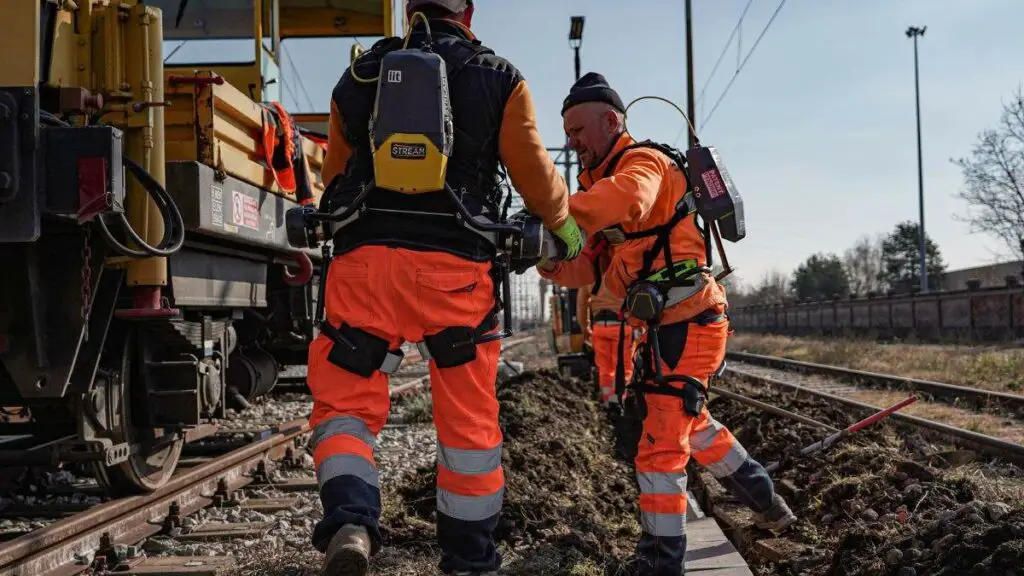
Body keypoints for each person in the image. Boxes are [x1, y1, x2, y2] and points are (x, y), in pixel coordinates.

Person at [308, 1, 583, 575]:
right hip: (456, 275)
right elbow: (536, 177)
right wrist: (567, 230)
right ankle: (469, 560)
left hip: (365, 268)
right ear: (470, 10)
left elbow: (334, 178)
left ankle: (352, 519)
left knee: (345, 407)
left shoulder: (360, 75)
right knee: (467, 424)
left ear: (409, 8)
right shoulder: (499, 76)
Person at [538, 72, 796, 576]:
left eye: (578, 129)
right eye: (566, 131)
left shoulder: (643, 164)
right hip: (667, 326)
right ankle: (768, 503)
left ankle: (661, 561)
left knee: (659, 446)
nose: (572, 141)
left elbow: (629, 197)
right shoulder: (602, 191)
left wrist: (554, 214)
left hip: (691, 319)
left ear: (611, 121)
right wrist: (542, 257)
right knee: (693, 425)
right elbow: (587, 268)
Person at [576, 282, 635, 411]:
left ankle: (608, 402)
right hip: (621, 327)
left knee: (605, 368)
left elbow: (582, 303)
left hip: (599, 327)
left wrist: (585, 327)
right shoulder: (621, 270)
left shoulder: (590, 275)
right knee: (623, 367)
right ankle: (619, 401)